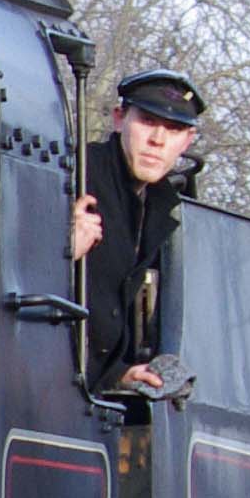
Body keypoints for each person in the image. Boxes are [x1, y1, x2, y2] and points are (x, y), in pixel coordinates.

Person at [71, 69, 204, 394]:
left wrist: (121, 375)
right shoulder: (73, 173)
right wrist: (62, 250)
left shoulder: (164, 207)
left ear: (187, 140)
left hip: (92, 394)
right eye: (147, 121)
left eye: (173, 129)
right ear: (120, 119)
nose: (158, 140)